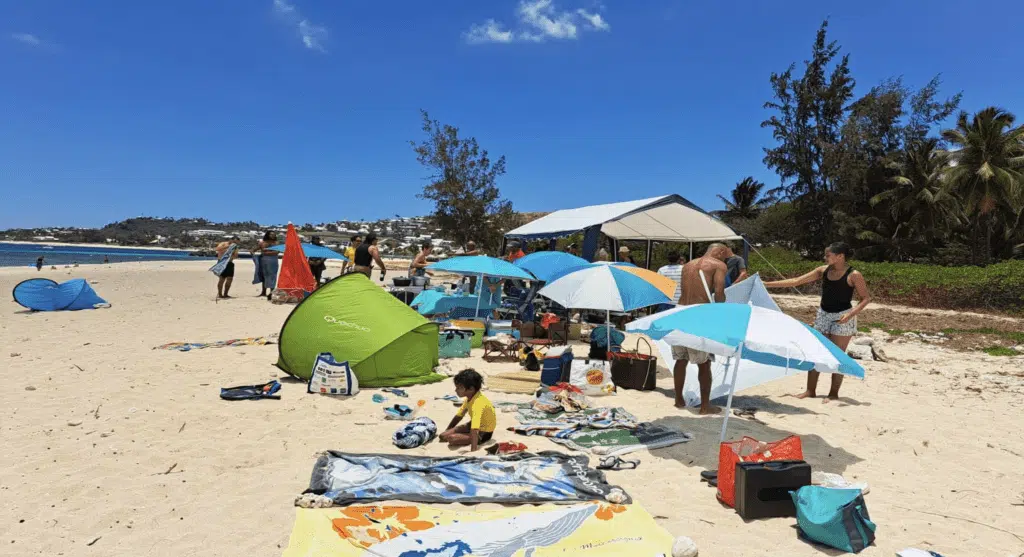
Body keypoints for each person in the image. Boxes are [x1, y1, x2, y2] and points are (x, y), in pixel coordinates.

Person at [764, 242, 872, 402]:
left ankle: (833, 394)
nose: (825, 257)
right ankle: (810, 390)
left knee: (838, 356)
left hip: (843, 316)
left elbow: (866, 298)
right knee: (815, 352)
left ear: (840, 256)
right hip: (823, 314)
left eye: (828, 255)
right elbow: (796, 281)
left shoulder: (854, 274)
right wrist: (766, 284)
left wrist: (850, 314)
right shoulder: (822, 270)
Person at [674, 243, 729, 414]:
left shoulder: (688, 265)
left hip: (680, 311)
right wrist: (722, 310)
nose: (725, 258)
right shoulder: (719, 265)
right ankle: (705, 406)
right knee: (704, 362)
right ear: (719, 252)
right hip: (700, 314)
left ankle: (678, 399)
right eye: (725, 255)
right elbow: (719, 292)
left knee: (680, 359)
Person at [439, 369, 495, 452]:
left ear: (471, 389)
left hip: (484, 432)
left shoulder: (478, 403)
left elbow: (475, 429)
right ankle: (461, 436)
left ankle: (467, 438)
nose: (456, 390)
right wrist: (447, 431)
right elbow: (458, 416)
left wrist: (473, 450)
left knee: (451, 439)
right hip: (473, 425)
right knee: (443, 436)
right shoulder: (469, 398)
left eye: (459, 388)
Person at [254, 231, 280, 300]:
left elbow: (276, 252)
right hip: (264, 261)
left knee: (272, 276)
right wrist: (254, 256)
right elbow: (254, 250)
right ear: (268, 235)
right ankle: (263, 292)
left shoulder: (276, 243)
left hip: (273, 261)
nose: (273, 236)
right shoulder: (262, 242)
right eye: (271, 234)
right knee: (264, 275)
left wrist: (265, 252)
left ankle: (271, 292)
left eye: (274, 234)